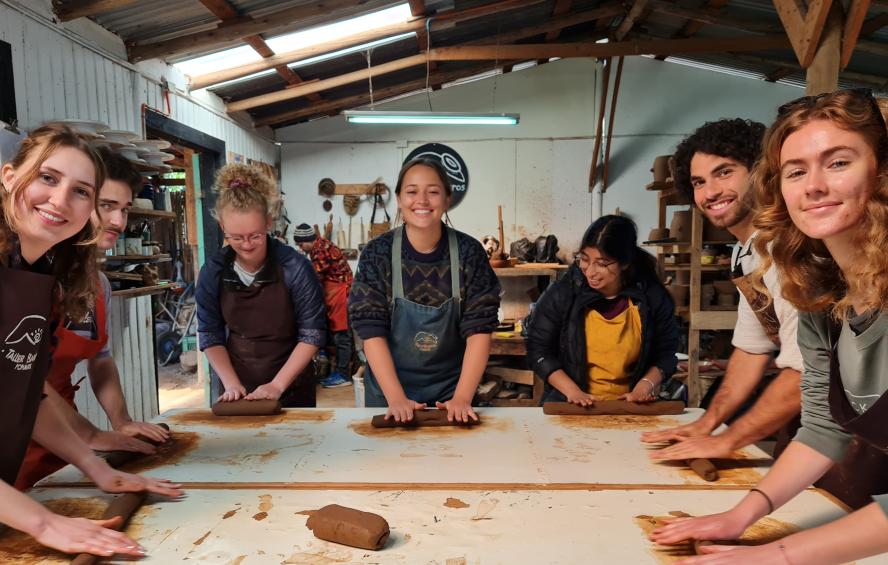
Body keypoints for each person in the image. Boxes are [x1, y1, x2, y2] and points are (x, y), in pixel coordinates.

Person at [651, 89, 888, 564]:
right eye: (796, 171)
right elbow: (822, 427)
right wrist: (741, 516)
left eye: (838, 162)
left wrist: (776, 555)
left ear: (881, 172)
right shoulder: (820, 294)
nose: (813, 186)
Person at [0, 123, 181, 558]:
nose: (60, 200)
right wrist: (43, 522)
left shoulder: (38, 277)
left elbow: (27, 394)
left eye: (81, 191)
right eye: (48, 178)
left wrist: (94, 468)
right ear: (9, 177)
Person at [642, 119, 805, 463]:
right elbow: (750, 351)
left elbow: (807, 372)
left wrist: (728, 439)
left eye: (724, 172)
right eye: (699, 182)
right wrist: (708, 424)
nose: (710, 192)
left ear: (760, 171)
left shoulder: (790, 249)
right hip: (821, 410)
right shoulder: (745, 253)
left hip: (863, 409)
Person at [16, 147, 170, 490]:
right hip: (17, 439)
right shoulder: (29, 277)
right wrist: (89, 433)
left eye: (124, 209)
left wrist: (120, 422)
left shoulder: (97, 285)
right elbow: (23, 382)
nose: (118, 222)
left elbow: (100, 359)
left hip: (61, 439)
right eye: (106, 206)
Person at [348, 157, 501, 423]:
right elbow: (371, 330)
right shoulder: (377, 253)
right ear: (398, 198)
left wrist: (463, 397)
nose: (422, 200)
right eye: (411, 192)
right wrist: (396, 398)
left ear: (447, 199)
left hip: (452, 395)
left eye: (433, 191)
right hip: (388, 393)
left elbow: (480, 330)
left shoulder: (469, 253)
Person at [196, 163, 326, 406]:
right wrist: (232, 383)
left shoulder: (295, 268)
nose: (246, 245)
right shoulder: (213, 271)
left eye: (255, 236)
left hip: (290, 383)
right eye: (236, 237)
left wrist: (277, 385)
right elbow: (210, 333)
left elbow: (312, 333)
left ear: (268, 222)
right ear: (223, 227)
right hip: (235, 384)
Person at [525, 215, 678, 405]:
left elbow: (666, 354)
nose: (590, 272)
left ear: (625, 263)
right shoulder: (564, 293)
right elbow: (538, 349)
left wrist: (644, 386)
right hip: (570, 405)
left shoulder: (652, 296)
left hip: (630, 406)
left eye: (602, 264)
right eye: (584, 259)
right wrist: (572, 392)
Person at [293, 223, 354, 388]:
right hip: (336, 292)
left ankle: (343, 375)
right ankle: (338, 371)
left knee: (342, 337)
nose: (299, 247)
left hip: (340, 294)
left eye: (300, 244)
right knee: (336, 336)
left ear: (308, 240)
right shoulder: (321, 245)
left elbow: (314, 278)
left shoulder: (319, 251)